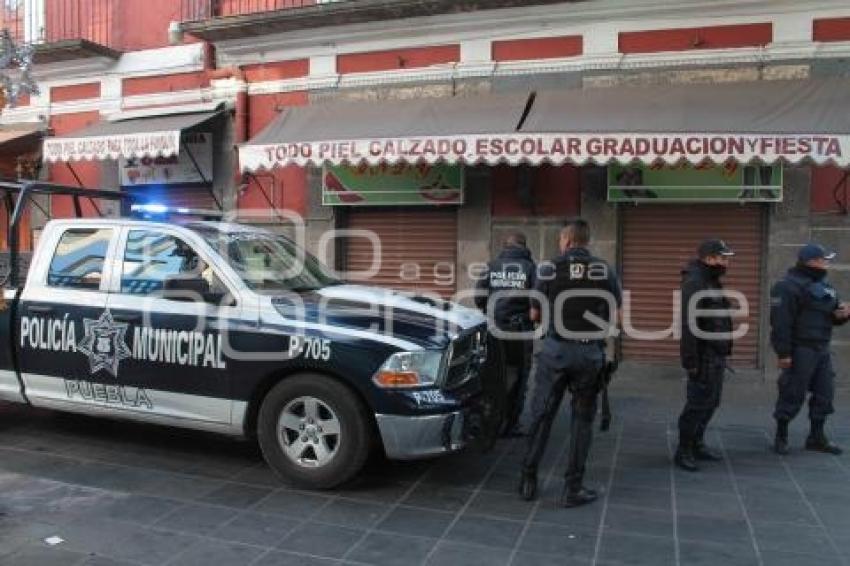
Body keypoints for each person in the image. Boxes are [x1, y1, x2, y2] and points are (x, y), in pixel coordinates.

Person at [518, 219, 621, 508]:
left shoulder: (548, 268)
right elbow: (618, 316)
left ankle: (528, 480)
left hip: (555, 352)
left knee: (542, 416)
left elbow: (535, 315)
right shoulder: (604, 270)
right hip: (589, 355)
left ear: (565, 240)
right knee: (582, 422)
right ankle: (572, 488)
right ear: (587, 241)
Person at [771, 244, 850, 455]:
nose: (827, 263)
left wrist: (842, 315)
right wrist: (784, 353)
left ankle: (816, 437)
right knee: (792, 393)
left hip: (821, 348)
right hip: (800, 349)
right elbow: (780, 323)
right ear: (811, 261)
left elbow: (831, 316)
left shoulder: (825, 285)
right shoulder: (786, 286)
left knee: (825, 394)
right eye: (824, 260)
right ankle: (781, 436)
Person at [674, 239, 736, 472]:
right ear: (709, 258)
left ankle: (697, 443)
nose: (726, 263)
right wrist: (690, 361)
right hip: (703, 356)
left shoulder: (711, 282)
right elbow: (689, 324)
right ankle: (684, 450)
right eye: (723, 258)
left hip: (716, 354)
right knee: (697, 405)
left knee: (712, 402)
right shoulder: (695, 283)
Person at [475, 232, 536, 436]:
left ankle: (489, 418)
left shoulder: (491, 266)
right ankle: (511, 424)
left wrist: (489, 312)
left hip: (495, 329)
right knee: (519, 376)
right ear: (524, 246)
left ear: (505, 246)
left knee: (494, 373)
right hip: (520, 332)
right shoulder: (530, 268)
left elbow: (479, 296)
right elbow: (537, 301)